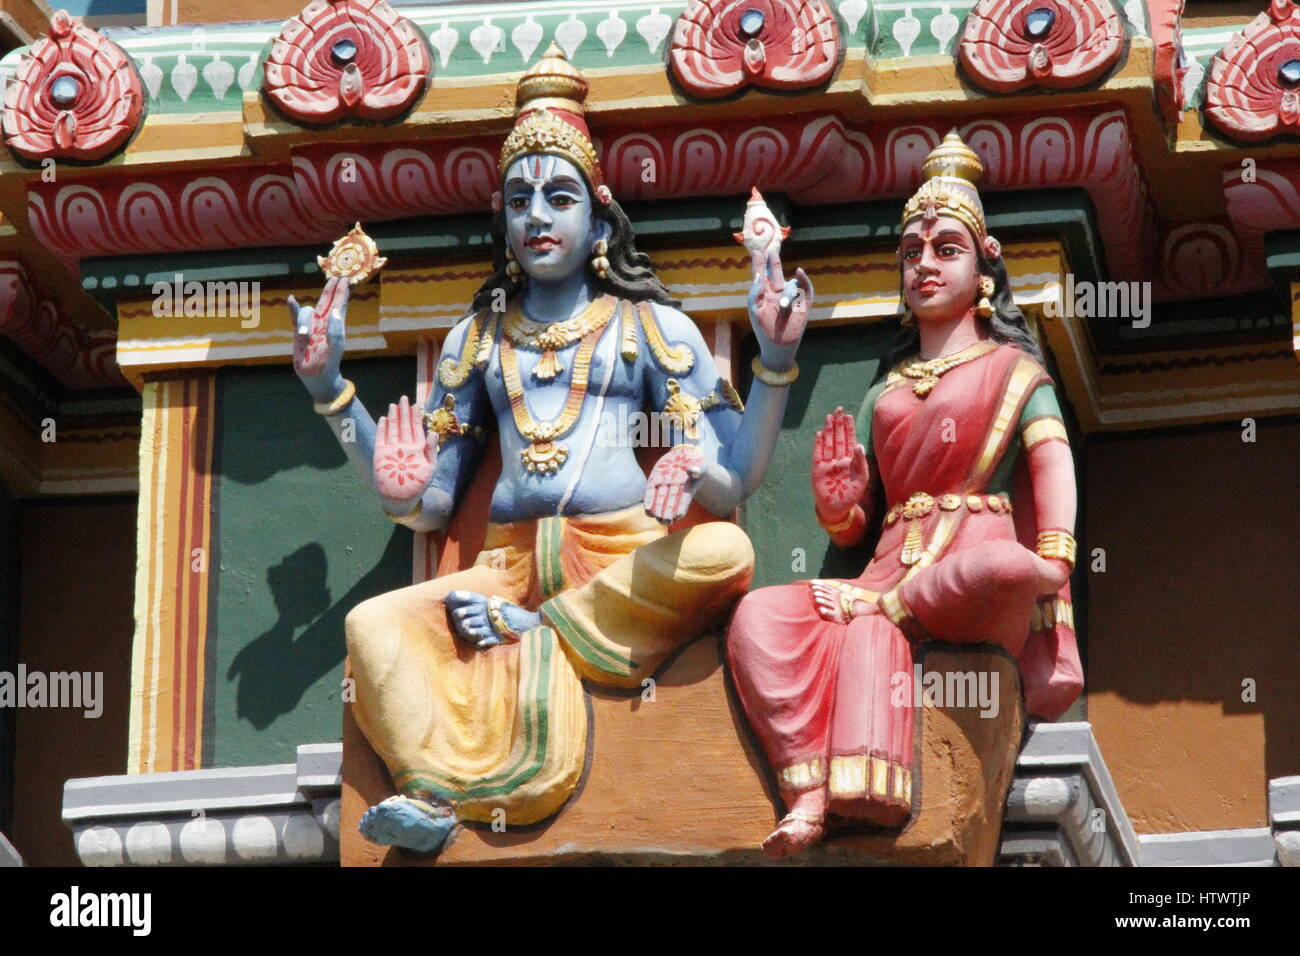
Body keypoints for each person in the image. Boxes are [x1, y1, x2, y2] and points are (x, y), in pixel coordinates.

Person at [287, 44, 812, 854]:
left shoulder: (648, 327)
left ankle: (546, 630)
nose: (537, 216)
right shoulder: (478, 339)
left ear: (598, 220)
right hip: (502, 567)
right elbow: (426, 502)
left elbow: (736, 473)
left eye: (559, 197)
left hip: (620, 561)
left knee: (723, 551)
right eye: (520, 199)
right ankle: (429, 793)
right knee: (374, 624)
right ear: (502, 218)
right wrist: (334, 398)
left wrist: (771, 365)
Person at [726, 131, 1083, 859]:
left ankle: (889, 615)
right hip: (887, 565)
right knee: (759, 614)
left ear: (985, 269)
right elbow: (857, 519)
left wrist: (1056, 560)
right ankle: (810, 787)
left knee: (996, 570)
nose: (924, 264)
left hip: (973, 556)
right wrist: (839, 505)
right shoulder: (887, 390)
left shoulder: (1013, 371)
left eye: (946, 249)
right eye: (912, 253)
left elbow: (1051, 462)